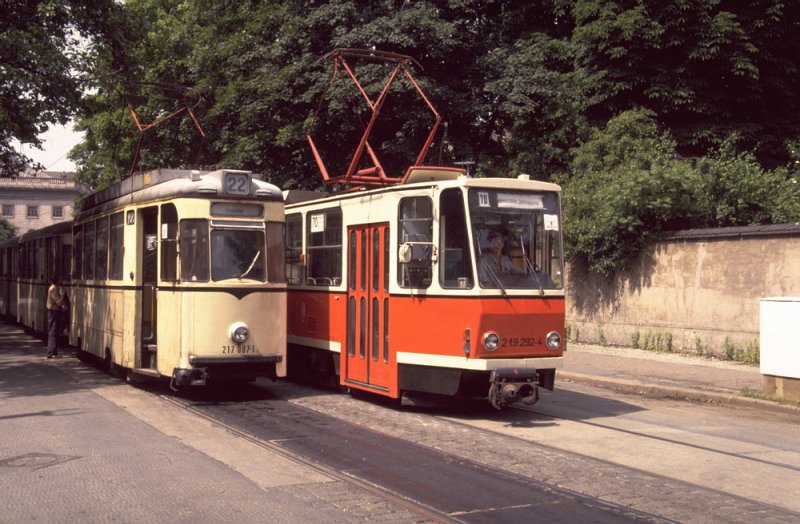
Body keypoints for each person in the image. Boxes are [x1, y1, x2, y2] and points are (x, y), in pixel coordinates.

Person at [46, 275, 65, 359]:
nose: (61, 281)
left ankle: (54, 352)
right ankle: (51, 353)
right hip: (53, 312)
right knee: (53, 332)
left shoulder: (55, 288)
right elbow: (58, 302)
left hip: (54, 311)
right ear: (56, 281)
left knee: (55, 331)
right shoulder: (53, 289)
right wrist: (63, 295)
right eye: (59, 280)